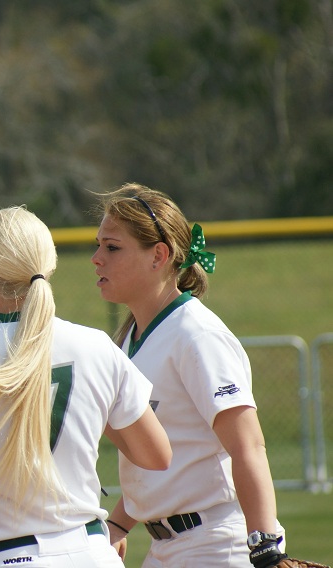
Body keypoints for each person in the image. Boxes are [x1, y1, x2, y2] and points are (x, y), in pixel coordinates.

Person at [0, 205, 173, 568]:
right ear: (48, 267)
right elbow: (156, 455)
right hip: (91, 552)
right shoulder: (96, 345)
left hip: (3, 556)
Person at [92, 183, 287, 567]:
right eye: (98, 245)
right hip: (169, 547)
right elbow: (168, 457)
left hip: (218, 544)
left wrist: (265, 543)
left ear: (158, 255)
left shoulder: (197, 335)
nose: (97, 258)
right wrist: (118, 524)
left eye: (112, 247)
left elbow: (247, 446)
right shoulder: (131, 339)